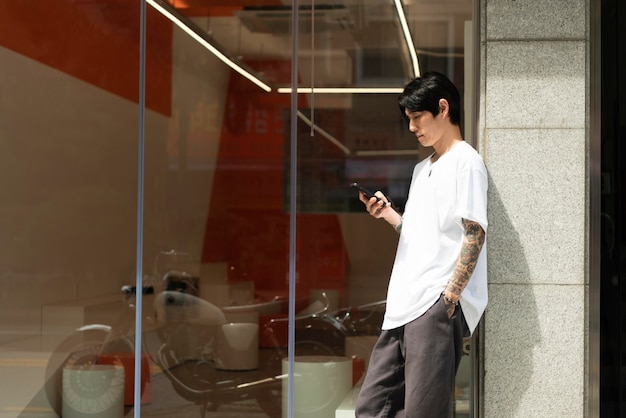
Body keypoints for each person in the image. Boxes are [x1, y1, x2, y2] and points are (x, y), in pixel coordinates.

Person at [354, 72, 488, 418]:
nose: (412, 127)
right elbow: (420, 234)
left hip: (432, 306)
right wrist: (389, 215)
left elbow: (475, 232)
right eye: (409, 119)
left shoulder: (466, 162)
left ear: (442, 108)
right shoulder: (421, 169)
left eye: (417, 117)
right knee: (371, 409)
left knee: (423, 412)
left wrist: (448, 301)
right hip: (402, 303)